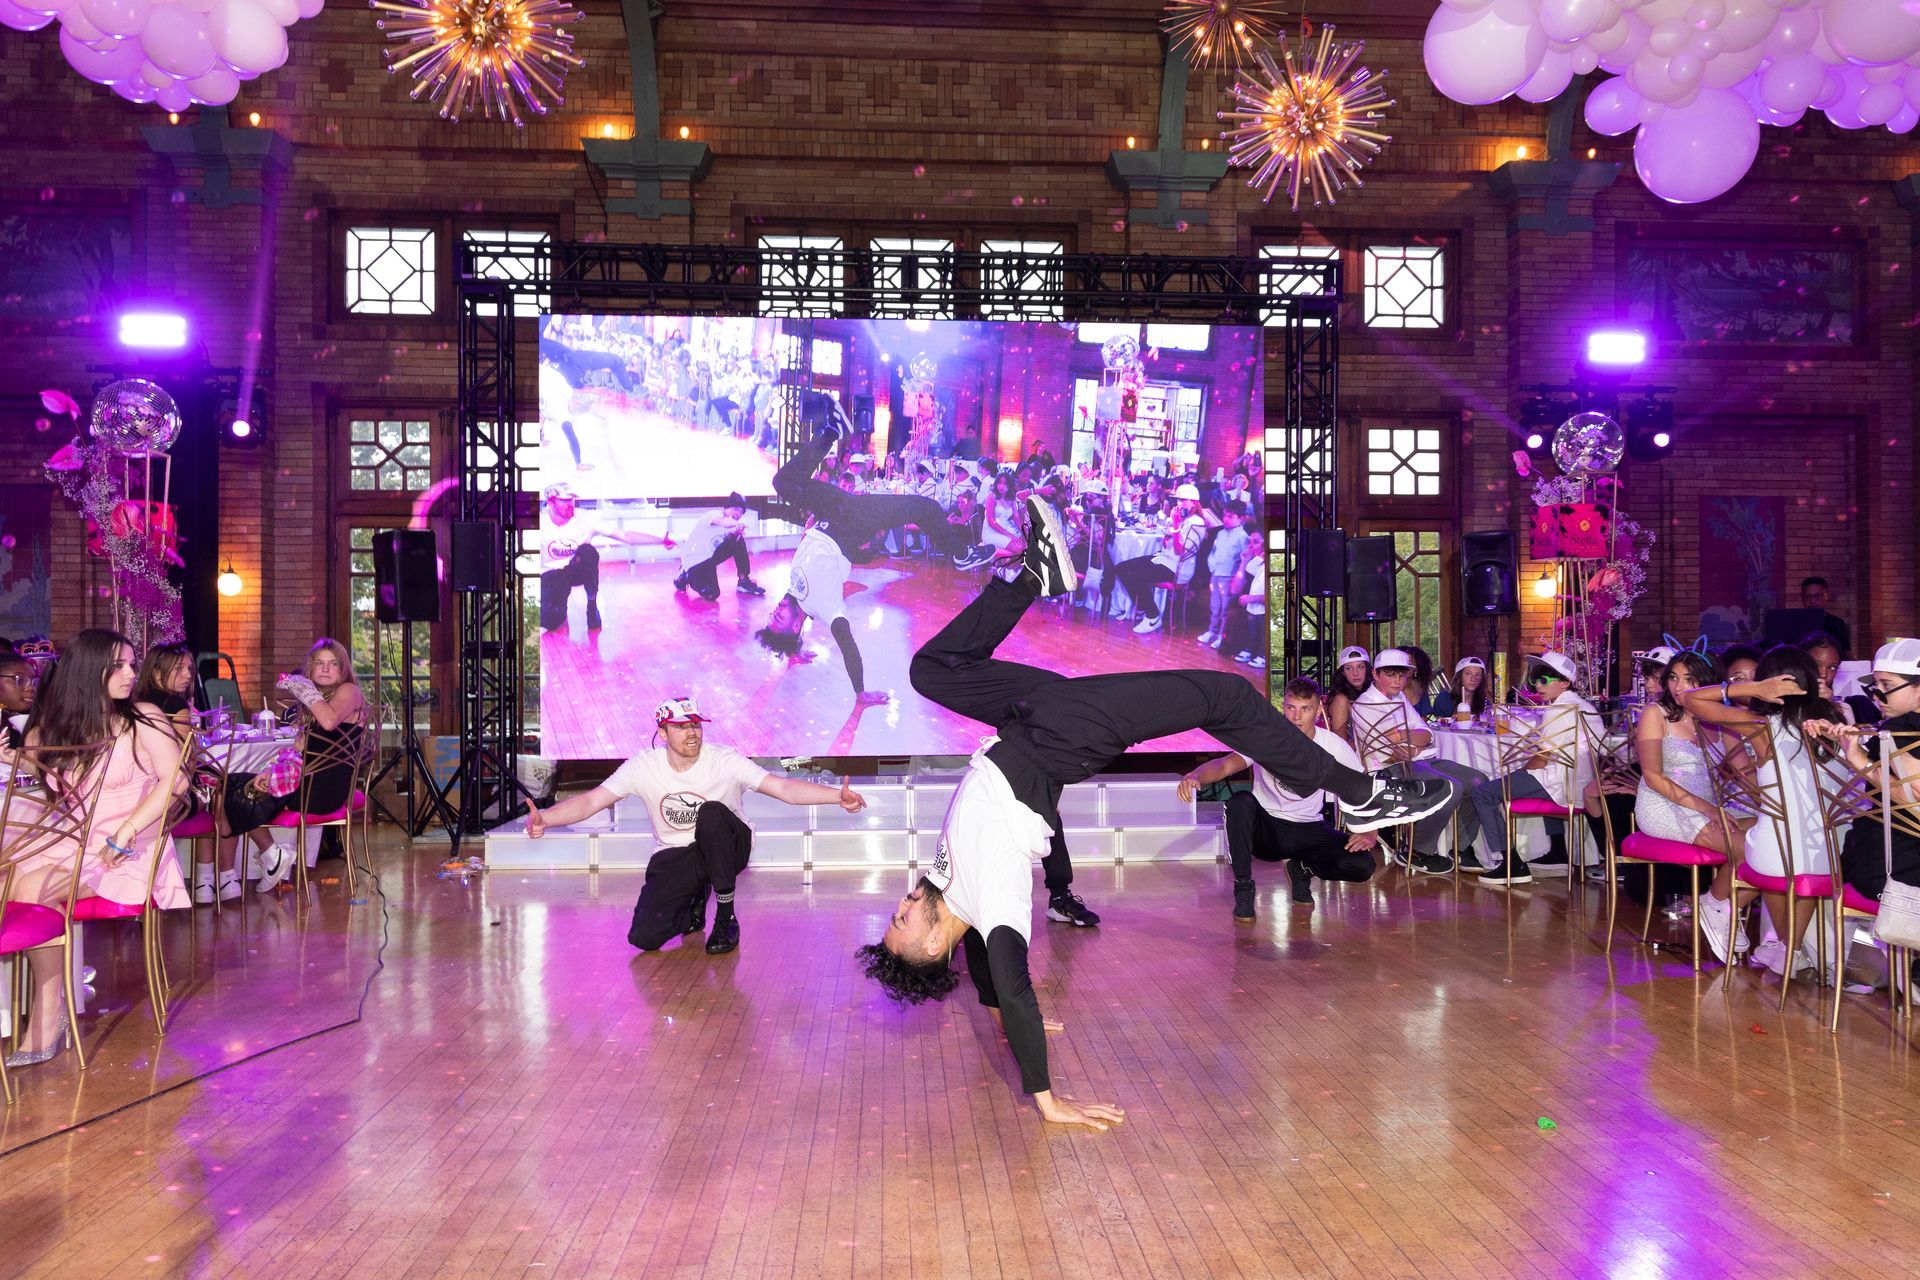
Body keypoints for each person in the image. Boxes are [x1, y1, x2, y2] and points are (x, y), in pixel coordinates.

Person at [857, 501, 1454, 1128]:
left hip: (1025, 719)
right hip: (1063, 734)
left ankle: (1038, 573)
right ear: (928, 939)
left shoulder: (950, 899)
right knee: (1223, 695)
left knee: (930, 670)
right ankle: (1356, 790)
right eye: (903, 919)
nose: (902, 901)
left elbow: (985, 977)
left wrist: (1003, 1019)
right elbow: (1008, 977)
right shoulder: (991, 904)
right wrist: (1048, 1098)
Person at [523, 696, 866, 953]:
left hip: (728, 843)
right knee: (644, 938)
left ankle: (726, 919)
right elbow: (591, 801)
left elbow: (784, 788)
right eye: (682, 726)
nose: (692, 733)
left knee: (711, 813)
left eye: (696, 725)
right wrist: (546, 818)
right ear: (662, 731)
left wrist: (836, 796)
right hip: (677, 853)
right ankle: (693, 909)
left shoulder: (724, 760)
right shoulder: (643, 766)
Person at [4, 628, 189, 1070]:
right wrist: (10, 760)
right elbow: (33, 774)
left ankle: (48, 1016)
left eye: (131, 663)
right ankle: (54, 1005)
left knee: (32, 888)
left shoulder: (142, 716)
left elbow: (176, 781)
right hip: (73, 842)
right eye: (119, 665)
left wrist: (124, 833)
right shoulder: (52, 725)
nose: (131, 673)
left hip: (131, 845)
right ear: (89, 671)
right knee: (15, 881)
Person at [1682, 646, 1846, 980]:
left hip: (1774, 853)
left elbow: (1690, 699)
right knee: (1795, 855)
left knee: (1764, 844)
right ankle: (1791, 948)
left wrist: (1750, 690)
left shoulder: (1761, 727)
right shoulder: (1836, 722)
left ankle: (1725, 906)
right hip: (1828, 853)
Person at [1177, 678, 1378, 920]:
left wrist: (1370, 832)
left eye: (1305, 709)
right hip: (1268, 830)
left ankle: (1302, 869)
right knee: (1240, 801)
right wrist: (1195, 775)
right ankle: (1243, 887)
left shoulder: (1333, 745)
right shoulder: (1267, 738)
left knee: (1363, 865)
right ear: (1282, 707)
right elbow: (1224, 765)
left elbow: (1362, 789)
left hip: (1308, 829)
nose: (1297, 717)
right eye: (1291, 707)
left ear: (1317, 710)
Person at [1634, 651, 1756, 964]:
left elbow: (1747, 776)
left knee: (1774, 839)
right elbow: (1652, 776)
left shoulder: (1720, 720)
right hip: (1662, 804)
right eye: (1673, 677)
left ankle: (1725, 909)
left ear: (1709, 683)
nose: (1678, 686)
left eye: (1690, 679)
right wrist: (1709, 810)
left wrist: (1779, 806)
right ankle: (1717, 903)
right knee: (1751, 849)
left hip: (1708, 806)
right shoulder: (1656, 713)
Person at [1467, 652, 1598, 885]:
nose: (1538, 685)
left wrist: (1516, 775)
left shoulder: (1560, 710)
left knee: (1484, 792)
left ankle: (1510, 862)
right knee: (1533, 777)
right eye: (1536, 679)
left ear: (1565, 683)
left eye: (1545, 680)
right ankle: (1557, 851)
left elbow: (1541, 759)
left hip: (1563, 784)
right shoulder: (1583, 705)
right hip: (1581, 784)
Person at [1349, 648, 1483, 875]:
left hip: (1421, 759)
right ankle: (1416, 850)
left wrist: (1403, 736)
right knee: (1451, 787)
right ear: (1376, 674)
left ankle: (1460, 847)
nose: (1397, 681)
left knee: (1479, 780)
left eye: (1401, 675)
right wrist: (1413, 740)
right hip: (1390, 769)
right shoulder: (1366, 705)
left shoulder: (1399, 696)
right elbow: (1393, 753)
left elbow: (1427, 733)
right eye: (1391, 675)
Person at [253, 639, 368, 893]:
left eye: (333, 664)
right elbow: (298, 753)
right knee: (240, 786)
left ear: (343, 669)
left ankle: (270, 858)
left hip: (323, 791)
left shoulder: (348, 691)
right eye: (319, 664)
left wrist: (304, 689)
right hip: (310, 783)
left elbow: (328, 722)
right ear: (311, 668)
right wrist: (271, 769)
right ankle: (258, 863)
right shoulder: (321, 701)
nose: (326, 669)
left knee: (236, 793)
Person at [1811, 639, 1920, 906]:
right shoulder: (1894, 729)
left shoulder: (1897, 730)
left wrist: (1860, 760)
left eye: (1887, 687)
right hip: (1893, 866)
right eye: (1875, 687)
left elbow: (1915, 800)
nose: (1876, 696)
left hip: (1888, 862)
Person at [537, 483, 675, 633]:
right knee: (550, 622)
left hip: (575, 569)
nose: (570, 504)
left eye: (572, 500)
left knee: (588, 552)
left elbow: (625, 535)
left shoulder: (585, 517)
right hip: (551, 576)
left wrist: (661, 540)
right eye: (564, 501)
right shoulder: (540, 523)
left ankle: (591, 606)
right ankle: (558, 605)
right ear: (550, 502)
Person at [1116, 484, 1210, 636]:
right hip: (1165, 559)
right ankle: (1141, 608)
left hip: (1177, 568)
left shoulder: (1196, 523)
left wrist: (1176, 525)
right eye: (1178, 500)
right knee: (1122, 568)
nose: (1179, 504)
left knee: (1136, 574)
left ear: (1193, 502)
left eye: (1183, 500)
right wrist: (1171, 526)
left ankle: (1152, 615)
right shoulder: (1183, 518)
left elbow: (1179, 550)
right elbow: (1166, 544)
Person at [672, 493, 767, 602]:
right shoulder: (714, 515)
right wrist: (736, 524)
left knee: (737, 539)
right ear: (727, 507)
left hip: (708, 559)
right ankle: (684, 574)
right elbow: (723, 522)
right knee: (711, 595)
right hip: (694, 561)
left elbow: (725, 541)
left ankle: (743, 581)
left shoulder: (730, 526)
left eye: (741, 512)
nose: (738, 513)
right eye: (736, 509)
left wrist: (735, 532)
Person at [1198, 500, 1250, 651]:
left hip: (1229, 577)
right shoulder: (1220, 533)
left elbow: (1243, 559)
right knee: (1214, 606)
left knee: (1225, 609)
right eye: (1225, 516)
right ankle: (1212, 631)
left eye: (1231, 516)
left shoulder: (1243, 537)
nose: (1226, 519)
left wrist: (1236, 576)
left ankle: (1222, 635)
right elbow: (1213, 551)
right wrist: (1212, 565)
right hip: (1216, 573)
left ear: (1241, 518)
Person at [133, 641, 196, 716]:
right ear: (157, 674)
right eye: (179, 668)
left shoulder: (133, 700)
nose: (188, 675)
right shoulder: (176, 705)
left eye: (189, 668)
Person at [1325, 646, 1371, 739]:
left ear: (1367, 669)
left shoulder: (1372, 694)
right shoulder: (1341, 699)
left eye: (1360, 667)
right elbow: (1341, 741)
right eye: (1349, 668)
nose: (1355, 673)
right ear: (1343, 672)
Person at [1800, 576, 1851, 658]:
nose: (1812, 601)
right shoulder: (1795, 623)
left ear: (1827, 596)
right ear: (1802, 598)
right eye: (1808, 597)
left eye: (1817, 596)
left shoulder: (1837, 624)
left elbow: (1845, 653)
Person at [1434, 656, 1490, 722]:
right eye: (1468, 673)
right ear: (1459, 676)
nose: (1473, 679)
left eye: (1477, 675)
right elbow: (1440, 725)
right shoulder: (1444, 698)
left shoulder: (1484, 702)